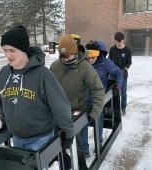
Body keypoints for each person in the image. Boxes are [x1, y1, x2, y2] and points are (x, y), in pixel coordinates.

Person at [0, 25, 75, 153]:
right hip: (16, 138)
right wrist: (4, 121)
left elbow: (60, 104)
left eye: (12, 50)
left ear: (23, 50)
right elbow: (0, 101)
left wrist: (68, 131)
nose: (7, 55)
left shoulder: (42, 74)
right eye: (5, 50)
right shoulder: (4, 73)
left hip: (40, 139)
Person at [50, 34, 105, 170]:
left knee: (77, 143)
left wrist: (94, 113)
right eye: (62, 55)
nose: (65, 58)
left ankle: (81, 166)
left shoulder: (85, 67)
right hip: (57, 112)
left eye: (68, 55)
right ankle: (65, 163)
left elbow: (98, 89)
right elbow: (47, 88)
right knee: (55, 141)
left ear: (74, 52)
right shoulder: (55, 66)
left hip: (76, 110)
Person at [85, 40, 123, 148]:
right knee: (82, 124)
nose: (90, 60)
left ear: (98, 54)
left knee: (98, 120)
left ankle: (98, 143)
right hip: (84, 98)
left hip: (98, 98)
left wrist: (118, 86)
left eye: (93, 58)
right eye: (88, 58)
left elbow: (119, 74)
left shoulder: (105, 63)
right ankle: (84, 149)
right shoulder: (83, 63)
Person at [108, 32, 132, 115]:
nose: (119, 44)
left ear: (123, 40)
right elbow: (109, 61)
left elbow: (129, 63)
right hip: (112, 75)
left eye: (120, 42)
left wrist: (124, 69)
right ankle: (111, 108)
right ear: (115, 41)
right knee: (111, 93)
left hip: (123, 75)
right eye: (117, 42)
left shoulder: (128, 50)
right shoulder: (112, 49)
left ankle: (123, 108)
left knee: (123, 93)